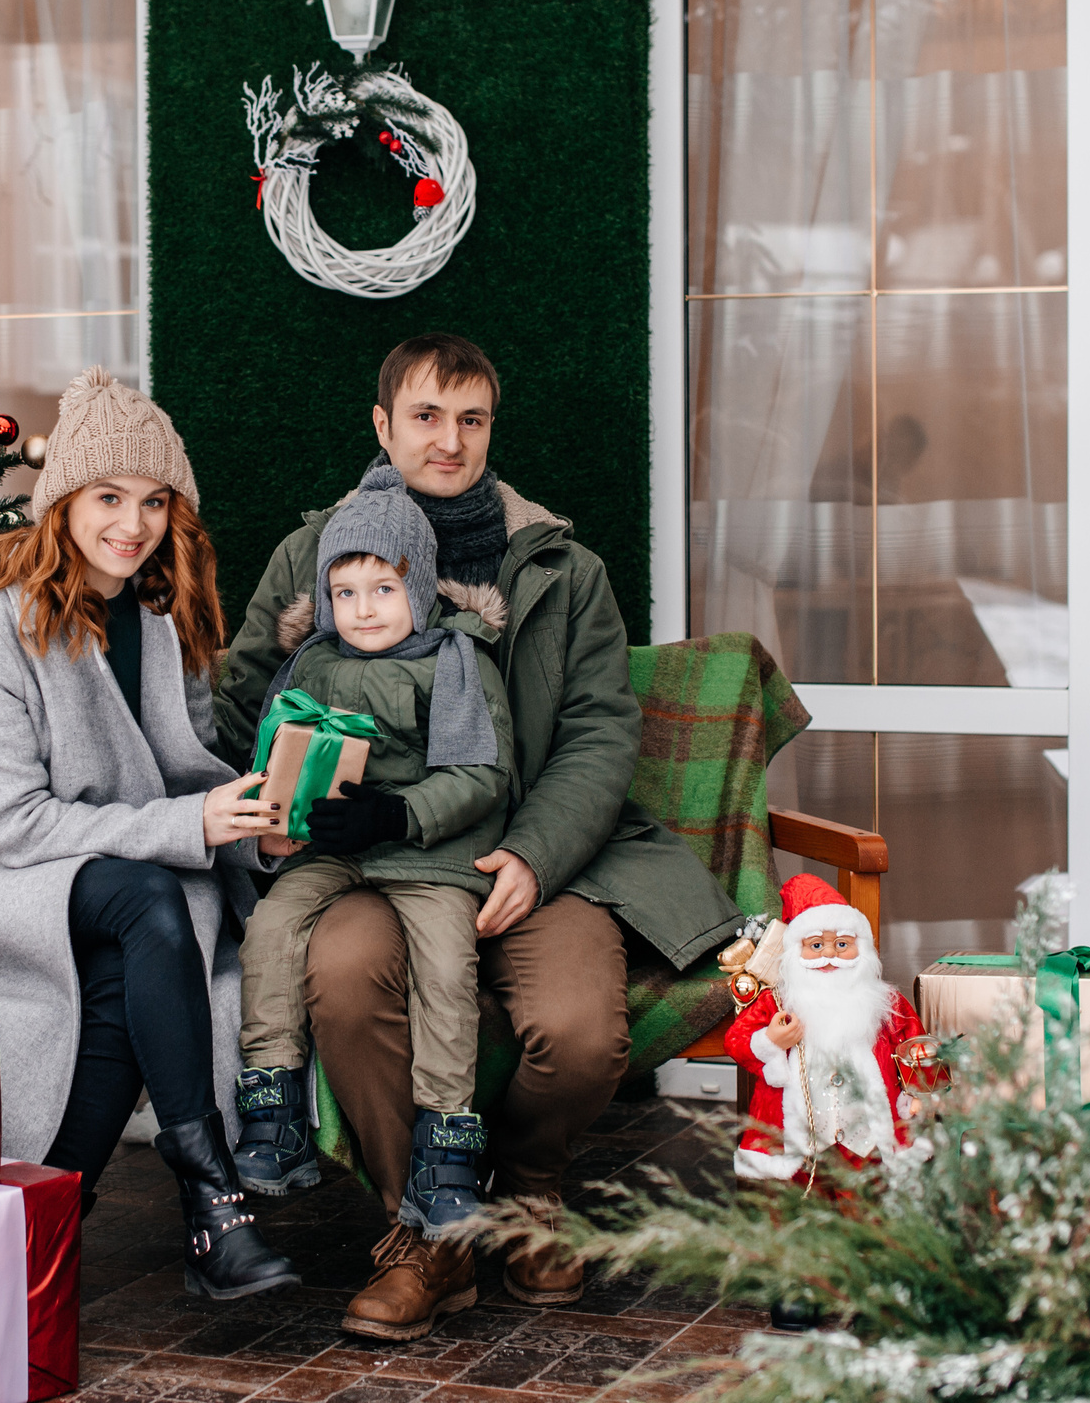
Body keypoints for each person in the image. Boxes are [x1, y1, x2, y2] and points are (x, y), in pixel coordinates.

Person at [215, 333, 743, 1342]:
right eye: (425, 416)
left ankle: (529, 1192)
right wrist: (281, 807)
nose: (448, 441)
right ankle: (428, 1232)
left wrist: (536, 853)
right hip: (374, 862)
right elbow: (245, 704)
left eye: (471, 419)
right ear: (383, 425)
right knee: (341, 977)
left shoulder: (562, 567)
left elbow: (598, 734)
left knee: (580, 1032)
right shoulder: (312, 555)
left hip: (535, 862)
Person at [0, 367, 301, 1302]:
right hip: (16, 882)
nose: (134, 525)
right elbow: (16, 822)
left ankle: (43, 1238)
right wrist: (189, 824)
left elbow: (191, 778)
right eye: (109, 498)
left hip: (138, 887)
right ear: (62, 503)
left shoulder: (160, 625)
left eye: (154, 501)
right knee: (149, 902)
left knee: (133, 961)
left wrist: (254, 833)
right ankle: (212, 1198)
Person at [231, 468, 518, 1233]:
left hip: (427, 853)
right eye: (345, 591)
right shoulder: (311, 662)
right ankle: (273, 1107)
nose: (363, 609)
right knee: (271, 928)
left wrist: (397, 813)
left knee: (445, 967)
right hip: (332, 847)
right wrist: (282, 815)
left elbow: (481, 773)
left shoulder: (454, 660)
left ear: (417, 589)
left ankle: (445, 1146)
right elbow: (276, 751)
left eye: (383, 589)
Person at [723, 874, 929, 1184]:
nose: (830, 954)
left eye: (842, 944)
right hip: (799, 1136)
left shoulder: (885, 1001)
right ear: (796, 950)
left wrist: (918, 1091)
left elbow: (916, 1045)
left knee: (864, 1195)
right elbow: (736, 1041)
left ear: (862, 948)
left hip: (867, 1135)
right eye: (816, 945)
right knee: (800, 1199)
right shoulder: (777, 1001)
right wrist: (771, 1040)